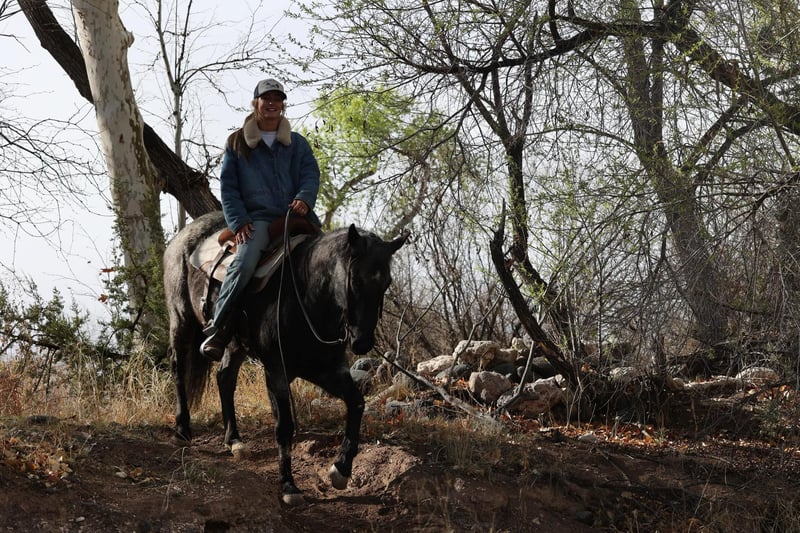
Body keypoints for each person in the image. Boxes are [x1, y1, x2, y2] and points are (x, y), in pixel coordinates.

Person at [200, 78, 321, 360]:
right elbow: (229, 188)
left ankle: (330, 334)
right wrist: (239, 221)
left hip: (296, 217)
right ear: (256, 103)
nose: (272, 104)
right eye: (267, 99)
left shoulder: (297, 143)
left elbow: (310, 174)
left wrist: (305, 197)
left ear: (282, 105)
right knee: (244, 264)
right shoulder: (237, 143)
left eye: (277, 99)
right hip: (258, 220)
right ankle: (219, 327)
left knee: (329, 259)